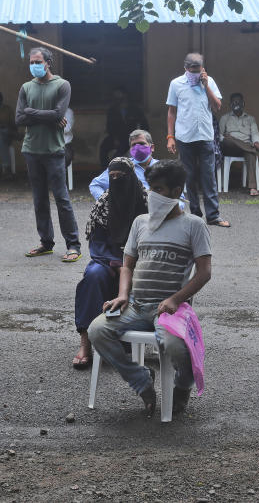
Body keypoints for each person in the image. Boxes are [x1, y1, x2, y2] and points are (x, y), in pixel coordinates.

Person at [87, 160, 211, 417]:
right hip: (135, 304)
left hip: (168, 310)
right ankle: (142, 380)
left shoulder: (194, 225)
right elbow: (127, 265)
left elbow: (204, 272)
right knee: (97, 330)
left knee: (176, 346)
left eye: (159, 189)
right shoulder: (140, 223)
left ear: (177, 191)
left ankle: (182, 386)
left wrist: (176, 299)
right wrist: (122, 295)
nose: (152, 194)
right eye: (150, 188)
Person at [73, 157, 148, 369]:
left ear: (132, 177)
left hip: (140, 262)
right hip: (107, 260)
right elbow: (96, 244)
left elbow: (154, 241)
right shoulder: (104, 202)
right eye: (112, 176)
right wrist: (113, 262)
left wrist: (128, 264)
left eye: (121, 177)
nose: (116, 181)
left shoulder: (146, 202)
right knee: (94, 275)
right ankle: (86, 341)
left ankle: (128, 337)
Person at [16, 47, 81, 262]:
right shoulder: (26, 87)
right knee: (39, 200)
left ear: (48, 63)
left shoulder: (62, 85)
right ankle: (46, 243)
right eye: (31, 61)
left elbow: (59, 113)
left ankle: (73, 245)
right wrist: (50, 117)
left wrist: (32, 112)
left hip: (54, 151)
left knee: (62, 198)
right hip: (31, 150)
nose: (33, 64)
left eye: (37, 61)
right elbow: (19, 119)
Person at [166, 53, 229, 227]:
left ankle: (213, 216)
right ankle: (195, 215)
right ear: (185, 68)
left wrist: (206, 86)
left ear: (202, 68)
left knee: (209, 177)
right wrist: (170, 137)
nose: (195, 73)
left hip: (206, 136)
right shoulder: (176, 84)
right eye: (192, 70)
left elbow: (217, 106)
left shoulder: (210, 81)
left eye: (198, 69)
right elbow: (171, 111)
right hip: (184, 138)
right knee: (189, 177)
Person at [218, 93, 259, 197]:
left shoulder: (250, 119)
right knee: (229, 140)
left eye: (238, 101)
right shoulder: (225, 118)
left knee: (250, 153)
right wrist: (226, 138)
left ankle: (252, 187)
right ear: (230, 104)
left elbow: (255, 134)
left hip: (245, 148)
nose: (236, 103)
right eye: (234, 101)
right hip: (230, 147)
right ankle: (258, 149)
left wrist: (256, 142)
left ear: (243, 104)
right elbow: (219, 136)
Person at [90, 129, 160, 199]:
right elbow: (95, 185)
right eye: (134, 145)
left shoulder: (163, 167)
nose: (137, 148)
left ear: (152, 148)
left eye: (141, 143)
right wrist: (108, 202)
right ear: (130, 149)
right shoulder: (121, 166)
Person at [99, 87, 149, 168]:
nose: (119, 99)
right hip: (116, 136)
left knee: (117, 155)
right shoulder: (112, 110)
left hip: (131, 138)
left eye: (120, 96)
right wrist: (114, 138)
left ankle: (112, 169)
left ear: (125, 96)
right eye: (116, 97)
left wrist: (140, 139)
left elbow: (145, 126)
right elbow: (109, 127)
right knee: (103, 147)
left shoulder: (135, 109)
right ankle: (104, 170)